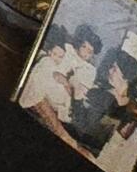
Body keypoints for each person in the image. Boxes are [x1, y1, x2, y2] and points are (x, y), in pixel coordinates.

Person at [21, 21, 105, 151]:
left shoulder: (89, 70)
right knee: (45, 63)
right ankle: (30, 98)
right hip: (51, 83)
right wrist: (56, 73)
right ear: (79, 43)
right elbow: (53, 60)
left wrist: (65, 80)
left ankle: (31, 99)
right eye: (84, 47)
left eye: (90, 52)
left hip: (66, 98)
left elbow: (76, 93)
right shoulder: (68, 49)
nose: (86, 54)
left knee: (45, 74)